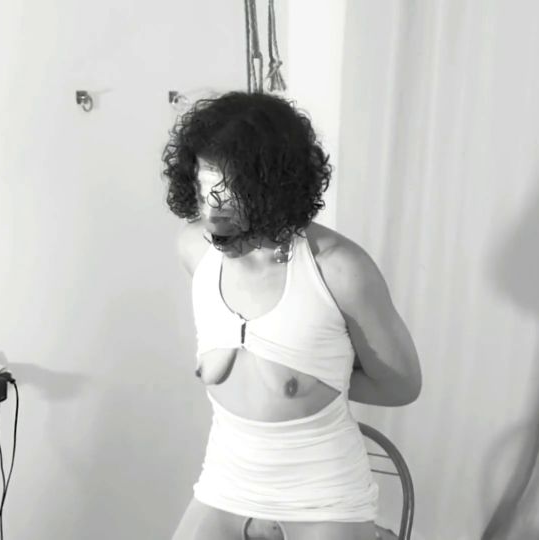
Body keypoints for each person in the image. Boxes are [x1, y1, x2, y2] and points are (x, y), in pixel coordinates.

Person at [163, 91, 421, 540]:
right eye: (204, 193)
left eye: (229, 196)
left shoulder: (338, 269)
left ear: (272, 190)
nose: (212, 215)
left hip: (323, 500)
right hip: (224, 487)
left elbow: (402, 385)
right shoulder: (193, 251)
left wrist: (320, 373)